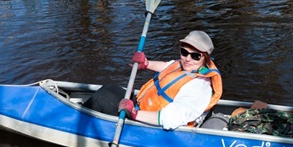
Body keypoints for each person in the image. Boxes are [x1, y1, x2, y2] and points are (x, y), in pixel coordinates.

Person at [82, 31, 223, 130]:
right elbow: (167, 67)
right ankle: (83, 117)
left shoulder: (199, 86)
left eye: (195, 56)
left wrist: (135, 113)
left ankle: (77, 124)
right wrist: (146, 63)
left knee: (102, 98)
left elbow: (172, 118)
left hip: (156, 126)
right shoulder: (188, 66)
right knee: (109, 89)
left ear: (205, 58)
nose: (187, 58)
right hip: (142, 108)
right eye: (184, 52)